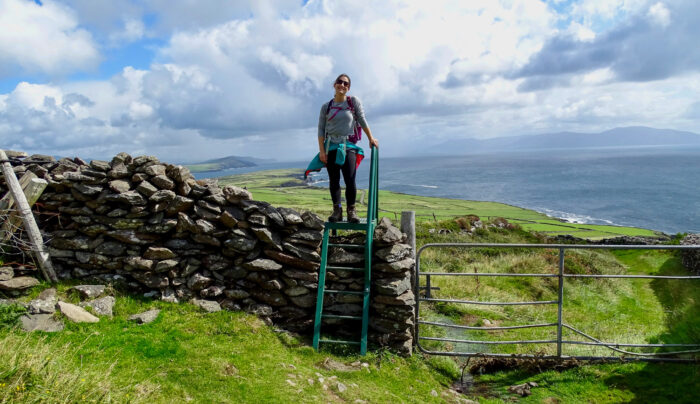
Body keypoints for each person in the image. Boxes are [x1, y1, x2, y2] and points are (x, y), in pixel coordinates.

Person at [316, 74, 379, 223]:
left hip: (348, 146)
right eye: (340, 82)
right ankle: (337, 210)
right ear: (335, 84)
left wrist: (371, 138)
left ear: (348, 87)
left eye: (346, 83)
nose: (342, 85)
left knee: (350, 180)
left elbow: (362, 120)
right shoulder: (326, 107)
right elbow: (320, 129)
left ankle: (351, 210)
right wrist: (322, 151)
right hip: (331, 146)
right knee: (334, 181)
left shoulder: (353, 102)